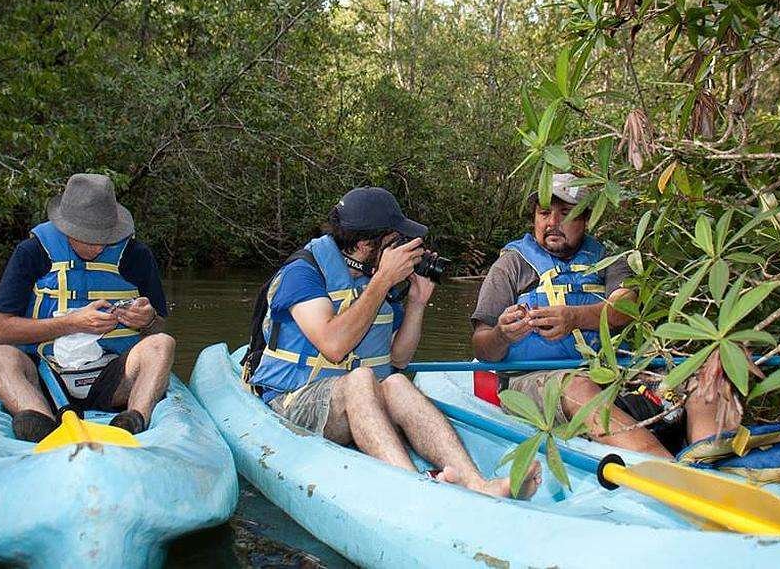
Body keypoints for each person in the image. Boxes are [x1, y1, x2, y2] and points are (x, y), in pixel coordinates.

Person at [249, 187, 540, 498]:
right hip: (292, 401)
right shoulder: (303, 274)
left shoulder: (374, 281)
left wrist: (416, 303)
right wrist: (383, 280)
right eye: (394, 242)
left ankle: (479, 484)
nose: (402, 249)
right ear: (364, 244)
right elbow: (333, 346)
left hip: (355, 402)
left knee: (397, 383)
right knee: (360, 380)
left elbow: (397, 360)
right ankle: (412, 486)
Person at [471, 173, 740, 459]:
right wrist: (502, 335)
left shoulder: (608, 260)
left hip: (613, 369)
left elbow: (625, 306)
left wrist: (574, 318)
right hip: (532, 377)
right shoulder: (509, 266)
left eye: (566, 213)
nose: (552, 223)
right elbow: (481, 344)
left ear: (586, 219)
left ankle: (710, 461)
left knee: (703, 376)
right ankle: (669, 472)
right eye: (545, 213)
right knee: (577, 386)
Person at [0, 173, 175, 442]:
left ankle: (134, 419)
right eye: (86, 237)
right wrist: (72, 323)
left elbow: (158, 327)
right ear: (64, 227)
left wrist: (147, 319)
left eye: (104, 237)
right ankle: (39, 422)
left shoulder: (137, 256)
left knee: (162, 344)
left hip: (112, 377)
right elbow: (0, 331)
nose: (96, 245)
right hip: (45, 375)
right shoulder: (32, 252)